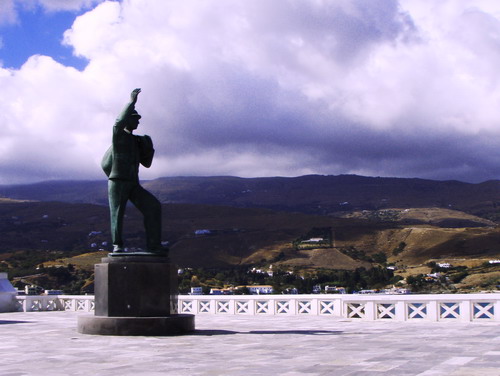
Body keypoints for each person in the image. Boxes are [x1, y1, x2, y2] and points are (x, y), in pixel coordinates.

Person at [101, 88, 165, 254]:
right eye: (135, 119)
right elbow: (118, 122)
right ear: (128, 119)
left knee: (153, 207)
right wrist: (131, 102)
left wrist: (149, 147)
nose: (138, 122)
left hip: (133, 183)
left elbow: (147, 163)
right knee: (117, 213)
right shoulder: (119, 136)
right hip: (118, 181)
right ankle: (117, 245)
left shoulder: (137, 141)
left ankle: (154, 246)